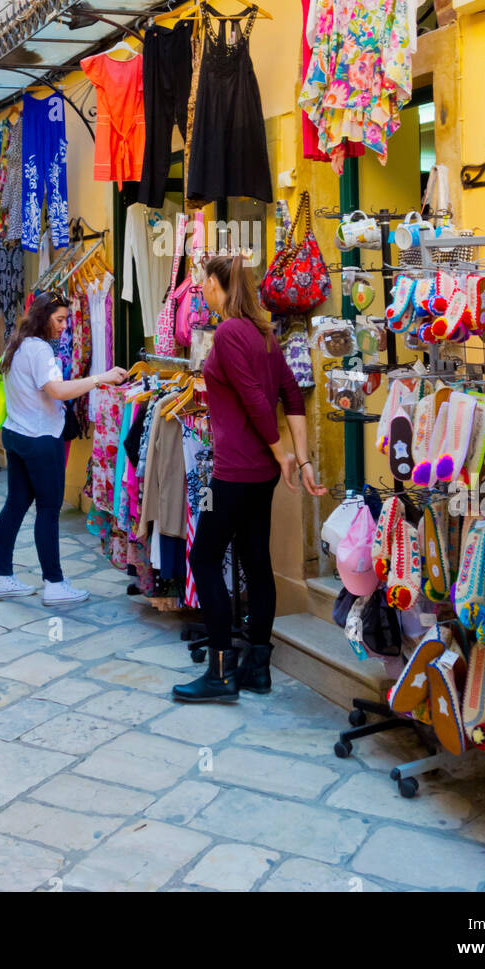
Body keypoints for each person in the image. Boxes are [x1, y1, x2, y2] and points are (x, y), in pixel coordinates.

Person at [173, 253, 326, 704]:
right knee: (256, 562)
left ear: (221, 286)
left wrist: (284, 455)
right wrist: (302, 461)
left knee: (204, 558)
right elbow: (291, 393)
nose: (200, 288)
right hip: (258, 476)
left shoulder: (227, 333)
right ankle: (258, 668)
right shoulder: (262, 334)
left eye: (203, 281)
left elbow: (259, 400)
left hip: (237, 471)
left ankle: (220, 671)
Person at [0, 291, 128, 607]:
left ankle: (0, 576)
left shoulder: (18, 343)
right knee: (48, 512)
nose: (65, 326)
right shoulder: (39, 350)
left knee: (14, 505)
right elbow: (58, 390)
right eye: (60, 319)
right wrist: (99, 379)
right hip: (40, 439)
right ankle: (54, 583)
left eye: (66, 319)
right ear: (43, 317)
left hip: (16, 434)